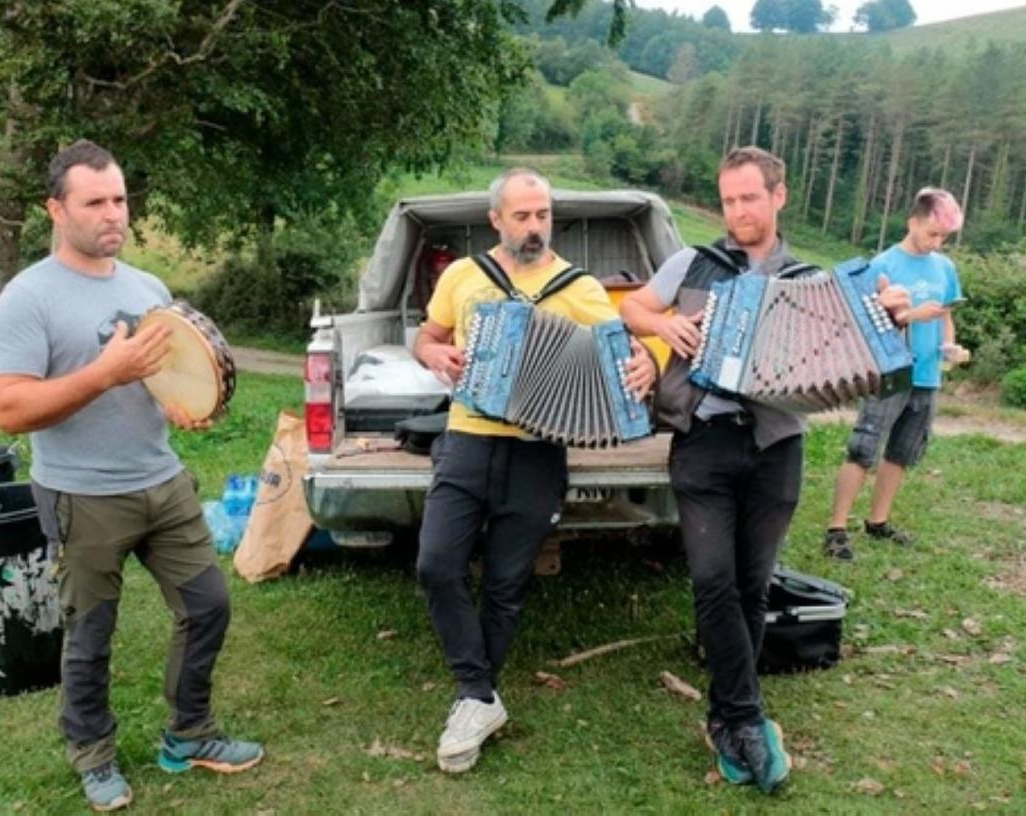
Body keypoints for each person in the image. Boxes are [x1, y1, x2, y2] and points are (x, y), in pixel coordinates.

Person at [620, 147, 909, 795]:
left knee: (752, 585)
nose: (737, 212)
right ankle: (746, 717)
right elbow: (631, 309)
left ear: (779, 196)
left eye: (749, 198)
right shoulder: (692, 263)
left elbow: (864, 325)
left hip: (777, 446)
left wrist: (886, 310)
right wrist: (663, 321)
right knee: (713, 580)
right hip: (702, 444)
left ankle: (727, 716)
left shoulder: (811, 280)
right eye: (728, 200)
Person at [0, 140, 262, 812]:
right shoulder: (28, 298)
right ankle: (93, 755)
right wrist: (104, 372)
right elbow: (9, 409)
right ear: (57, 209)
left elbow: (162, 377)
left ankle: (189, 733)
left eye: (120, 199)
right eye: (95, 202)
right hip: (82, 493)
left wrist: (182, 404)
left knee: (208, 607)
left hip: (162, 482)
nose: (114, 214)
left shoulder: (148, 289)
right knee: (91, 635)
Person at [413, 167, 658, 774]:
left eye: (542, 214)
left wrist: (647, 364)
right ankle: (479, 694)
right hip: (468, 438)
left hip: (539, 449)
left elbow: (622, 354)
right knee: (436, 564)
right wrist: (434, 352)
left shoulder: (578, 289)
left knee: (507, 582)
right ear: (495, 218)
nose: (534, 226)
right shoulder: (465, 276)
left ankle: (473, 701)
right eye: (521, 216)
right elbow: (429, 335)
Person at [824, 188, 965, 560]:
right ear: (912, 222)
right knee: (863, 449)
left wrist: (950, 347)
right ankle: (836, 528)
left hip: (927, 375)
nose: (937, 243)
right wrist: (911, 317)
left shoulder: (945, 268)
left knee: (902, 452)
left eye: (944, 237)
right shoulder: (883, 265)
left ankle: (878, 521)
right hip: (889, 373)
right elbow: (866, 325)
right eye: (932, 233)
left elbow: (947, 315)